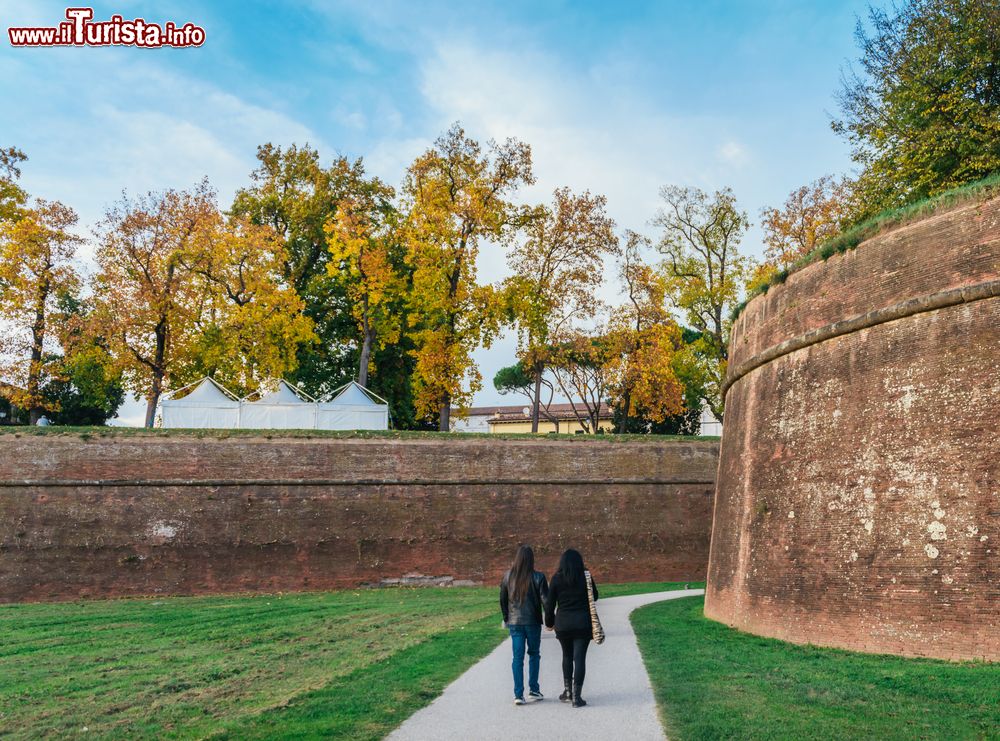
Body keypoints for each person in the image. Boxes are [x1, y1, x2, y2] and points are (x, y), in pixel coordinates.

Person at [544, 548, 598, 708]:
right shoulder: (585, 576)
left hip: (563, 624)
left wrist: (549, 622)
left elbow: (549, 604)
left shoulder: (556, 578)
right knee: (579, 658)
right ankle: (577, 697)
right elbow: (595, 596)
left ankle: (567, 692)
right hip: (582, 623)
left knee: (567, 656)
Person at [499, 544, 549, 705]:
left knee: (517, 657)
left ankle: (518, 694)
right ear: (531, 559)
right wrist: (550, 619)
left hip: (515, 622)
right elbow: (546, 601)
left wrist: (506, 617)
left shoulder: (507, 577)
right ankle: (534, 689)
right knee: (534, 654)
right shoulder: (538, 577)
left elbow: (502, 600)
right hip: (533, 622)